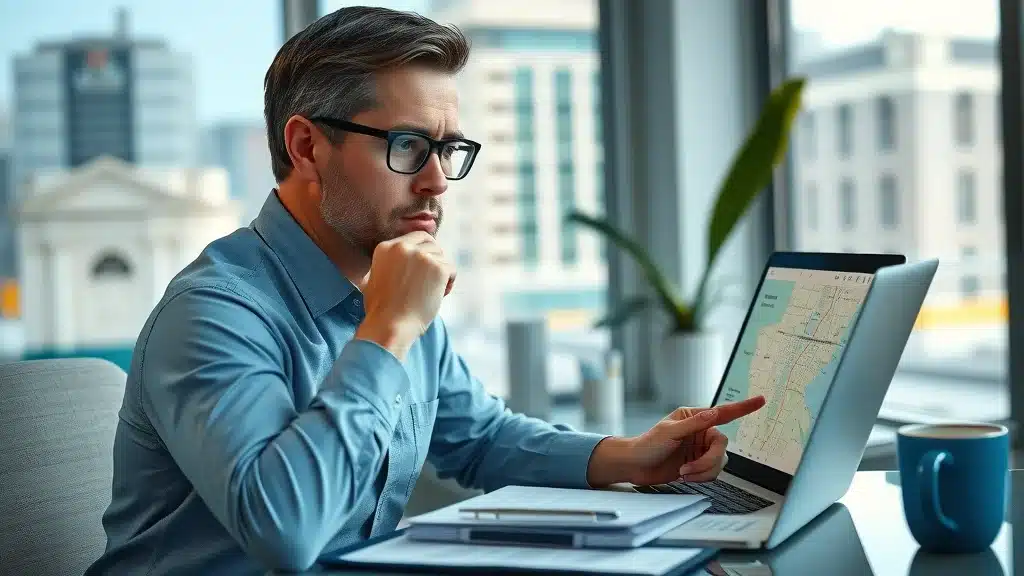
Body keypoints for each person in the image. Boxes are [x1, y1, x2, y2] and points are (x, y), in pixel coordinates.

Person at [85, 6, 765, 575]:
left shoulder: (390, 283)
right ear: (307, 147)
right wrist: (387, 330)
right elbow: (285, 530)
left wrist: (628, 457)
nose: (437, 180)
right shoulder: (215, 313)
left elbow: (479, 438)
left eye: (449, 150)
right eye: (408, 145)